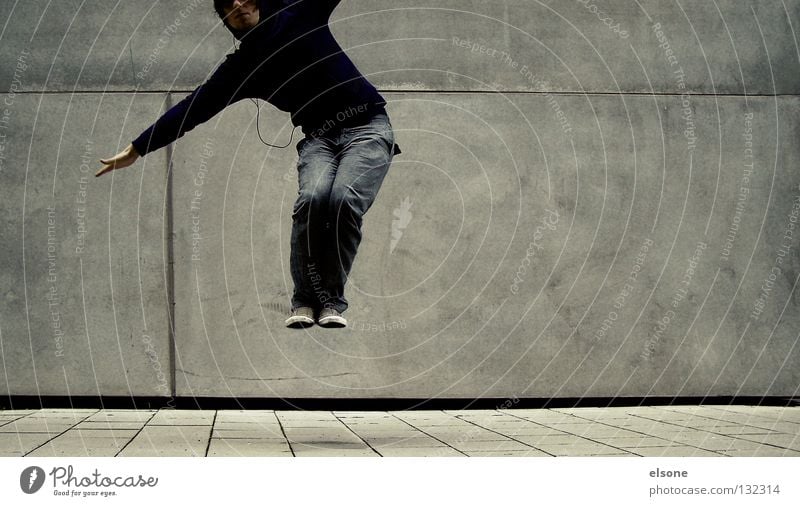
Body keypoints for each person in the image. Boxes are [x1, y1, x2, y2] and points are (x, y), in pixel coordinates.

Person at [96, 0, 400, 329]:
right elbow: (194, 108)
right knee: (312, 199)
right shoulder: (242, 67)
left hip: (367, 127)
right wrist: (138, 148)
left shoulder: (300, 11)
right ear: (226, 19)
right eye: (228, 4)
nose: (238, 5)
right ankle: (303, 300)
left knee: (342, 199)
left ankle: (330, 300)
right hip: (319, 139)